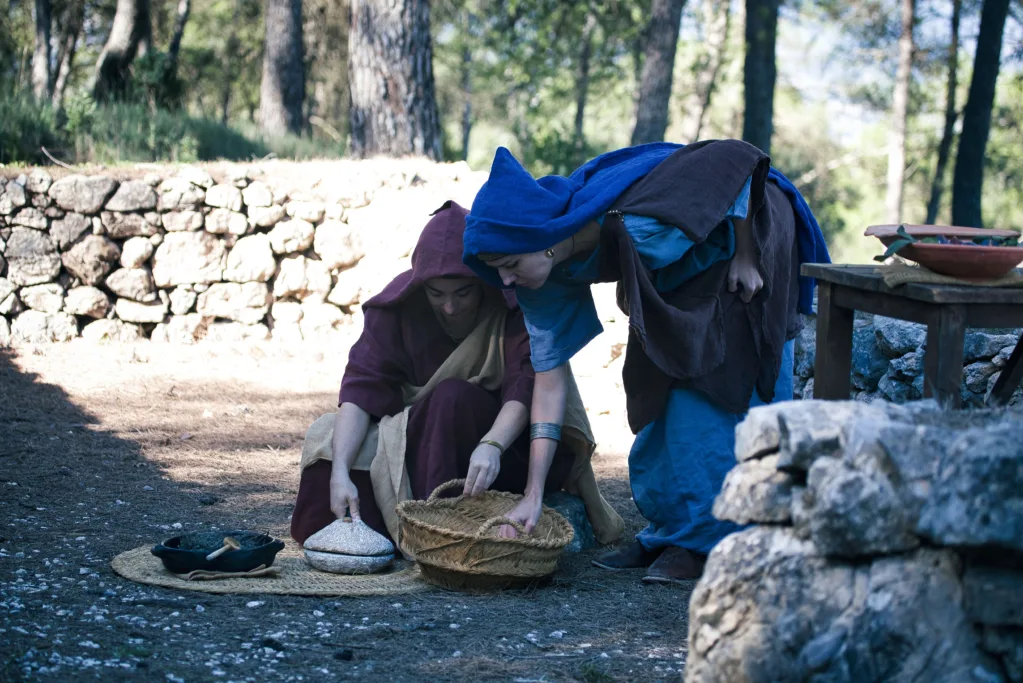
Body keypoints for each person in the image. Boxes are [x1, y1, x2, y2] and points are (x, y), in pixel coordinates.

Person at [461, 139, 830, 583]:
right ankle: (671, 532)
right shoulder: (539, 274)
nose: (503, 279)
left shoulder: (639, 218)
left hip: (747, 228)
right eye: (495, 268)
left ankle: (714, 543)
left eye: (508, 263)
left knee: (714, 393)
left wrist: (748, 253)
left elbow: (738, 161)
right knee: (654, 385)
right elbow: (550, 380)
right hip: (679, 262)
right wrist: (533, 494)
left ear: (542, 243)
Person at [291, 201, 623, 549]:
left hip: (507, 451)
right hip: (420, 439)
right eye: (437, 294)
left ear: (482, 282)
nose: (450, 306)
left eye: (462, 293)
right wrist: (340, 471)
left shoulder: (514, 303)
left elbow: (525, 388)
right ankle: (361, 535)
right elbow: (362, 390)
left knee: (452, 398)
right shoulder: (395, 309)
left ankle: (439, 534)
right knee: (328, 434)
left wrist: (492, 444)